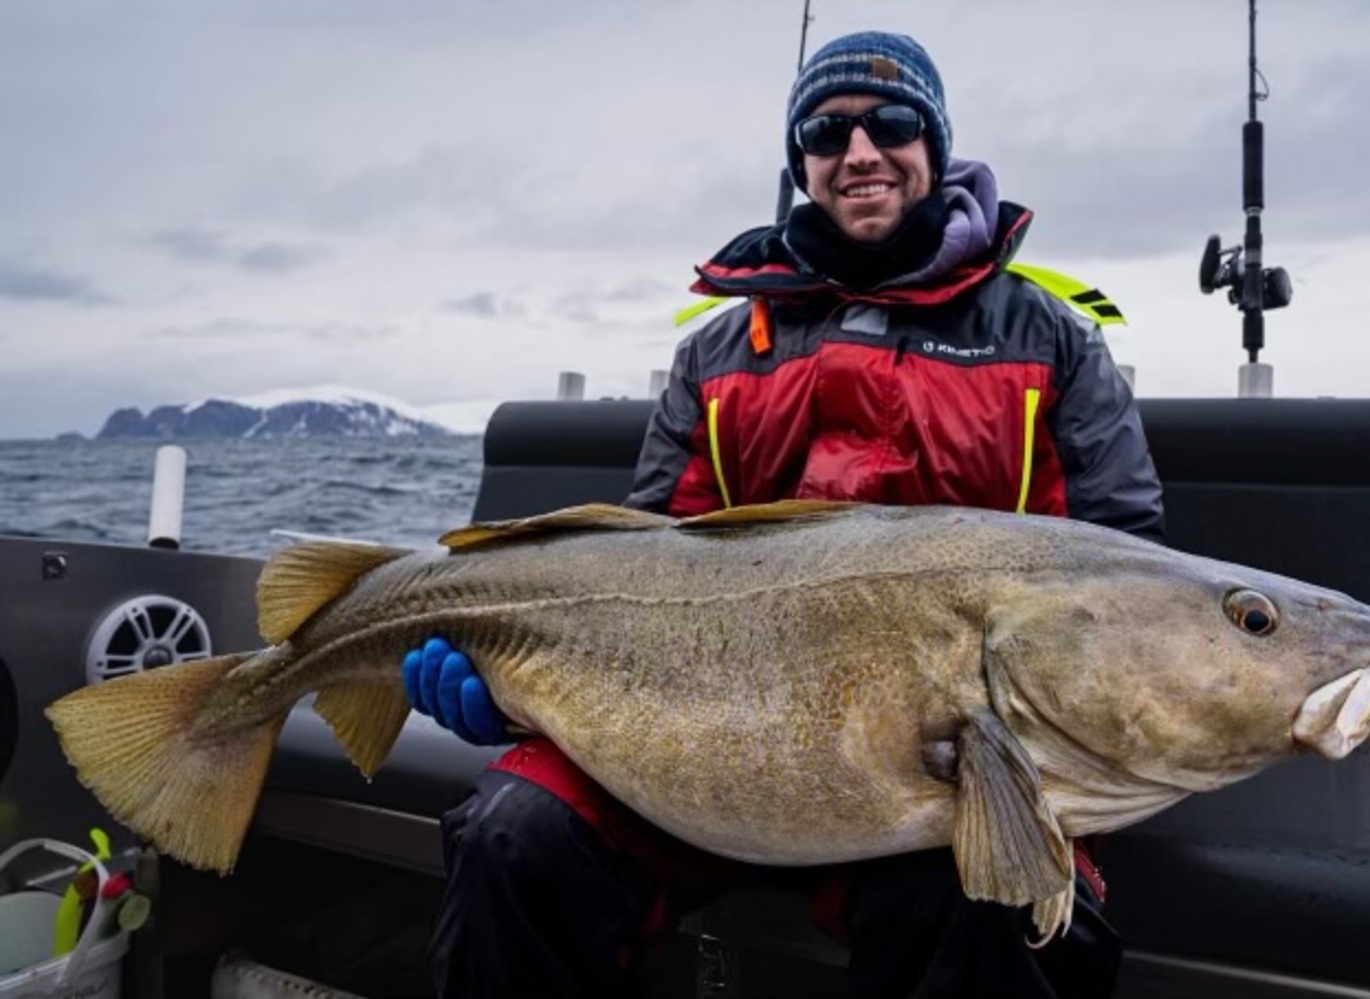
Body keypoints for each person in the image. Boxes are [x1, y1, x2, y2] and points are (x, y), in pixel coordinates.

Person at [405, 30, 1163, 999]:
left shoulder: (1049, 340)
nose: (860, 152)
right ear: (800, 164)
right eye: (826, 131)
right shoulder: (717, 352)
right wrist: (515, 684)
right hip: (706, 754)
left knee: (995, 913)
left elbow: (1124, 573)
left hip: (951, 766)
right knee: (515, 839)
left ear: (934, 145)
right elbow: (642, 571)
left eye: (891, 124)